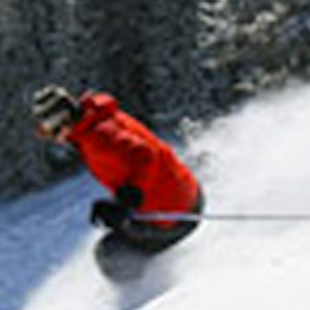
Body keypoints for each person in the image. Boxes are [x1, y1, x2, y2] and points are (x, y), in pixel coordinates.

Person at [32, 84, 204, 280]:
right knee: (119, 230)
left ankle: (147, 298)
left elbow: (145, 155)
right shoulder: (97, 118)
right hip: (187, 196)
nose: (53, 139)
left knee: (110, 254)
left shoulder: (99, 136)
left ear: (61, 120)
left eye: (48, 130)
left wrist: (129, 196)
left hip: (175, 215)